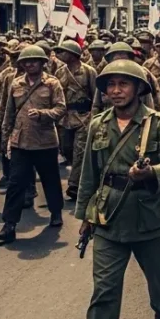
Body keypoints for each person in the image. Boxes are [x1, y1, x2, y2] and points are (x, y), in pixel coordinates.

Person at [70, 59, 160, 319]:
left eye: (123, 84)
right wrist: (85, 215)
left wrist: (151, 174)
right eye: (110, 85)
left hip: (148, 217)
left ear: (138, 89)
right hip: (109, 217)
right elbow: (89, 173)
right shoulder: (99, 124)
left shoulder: (157, 123)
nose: (116, 91)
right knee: (104, 292)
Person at [0, 45, 67, 243]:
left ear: (43, 63)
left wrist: (44, 114)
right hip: (21, 142)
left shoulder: (52, 84)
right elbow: (8, 112)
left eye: (34, 61)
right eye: (26, 61)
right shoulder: (16, 84)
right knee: (15, 183)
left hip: (45, 141)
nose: (30, 64)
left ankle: (56, 212)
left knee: (50, 180)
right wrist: (4, 139)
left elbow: (61, 108)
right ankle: (9, 225)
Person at [54, 41, 98, 201]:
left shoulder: (88, 71)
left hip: (83, 116)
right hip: (65, 117)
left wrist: (95, 116)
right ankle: (81, 173)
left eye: (63, 52)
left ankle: (74, 184)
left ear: (73, 54)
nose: (60, 55)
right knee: (66, 148)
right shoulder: (60, 72)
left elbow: (96, 96)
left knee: (80, 150)